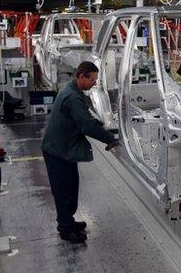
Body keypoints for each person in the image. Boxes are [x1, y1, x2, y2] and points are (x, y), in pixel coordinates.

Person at [41, 61, 119, 243]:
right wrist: (110, 138)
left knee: (70, 187)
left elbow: (85, 117)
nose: (94, 83)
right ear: (81, 76)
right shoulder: (72, 96)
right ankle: (65, 230)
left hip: (63, 149)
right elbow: (86, 125)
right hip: (57, 151)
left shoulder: (73, 90)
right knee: (63, 191)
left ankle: (69, 221)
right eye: (92, 79)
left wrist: (105, 128)